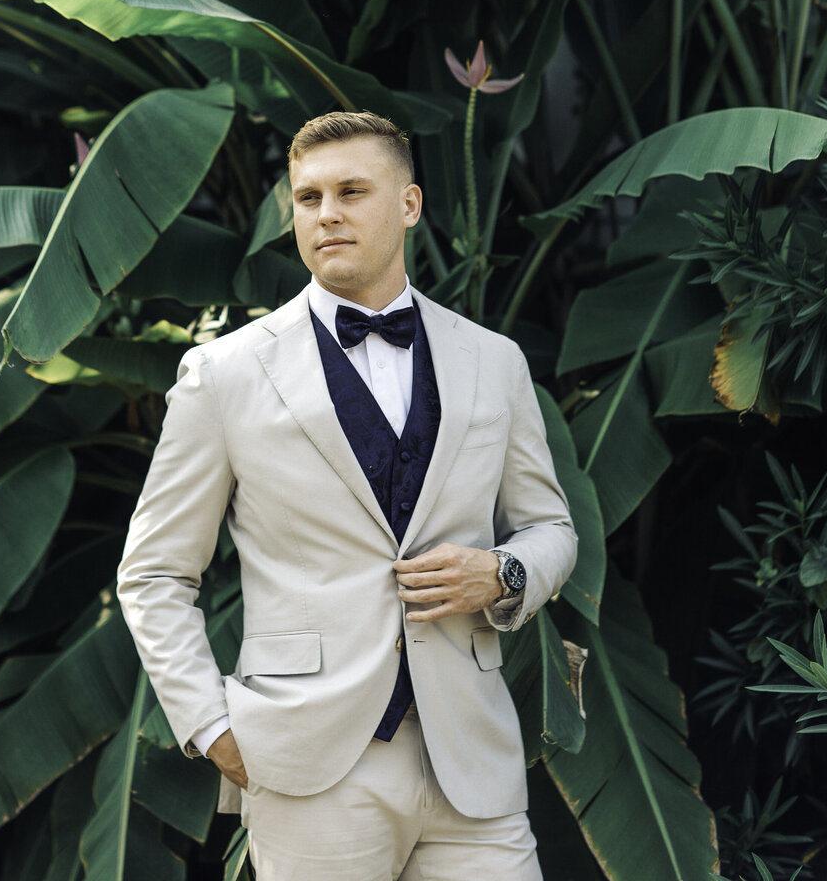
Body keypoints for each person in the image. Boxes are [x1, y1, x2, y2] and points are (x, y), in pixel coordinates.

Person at [117, 109, 577, 880]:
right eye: (307, 198)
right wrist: (211, 725)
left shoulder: (493, 360)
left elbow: (551, 527)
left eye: (352, 191)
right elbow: (155, 571)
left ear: (408, 205)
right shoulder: (223, 375)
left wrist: (503, 575)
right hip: (308, 764)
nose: (326, 214)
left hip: (471, 760)